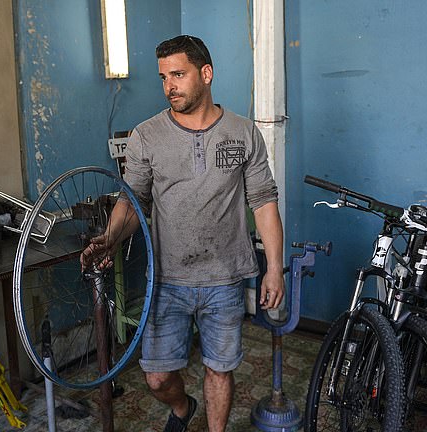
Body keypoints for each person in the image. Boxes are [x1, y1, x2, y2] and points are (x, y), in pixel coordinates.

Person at [81, 35, 284, 432]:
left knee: (219, 369)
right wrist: (111, 237)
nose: (169, 86)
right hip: (167, 278)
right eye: (163, 77)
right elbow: (133, 200)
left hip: (224, 277)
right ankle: (181, 408)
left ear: (205, 74)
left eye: (178, 74)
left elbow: (264, 202)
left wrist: (273, 267)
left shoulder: (243, 134)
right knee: (157, 378)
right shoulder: (146, 136)